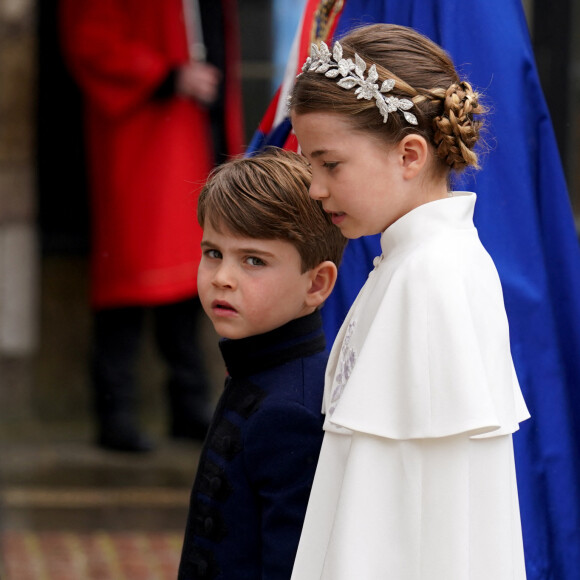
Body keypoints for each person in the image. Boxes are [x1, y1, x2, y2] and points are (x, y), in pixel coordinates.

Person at [250, 2, 580, 576]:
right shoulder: (411, 264)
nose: (315, 189)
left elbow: (410, 514)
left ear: (409, 154)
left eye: (329, 164)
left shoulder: (429, 280)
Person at [59, 0, 244, 451]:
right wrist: (165, 74)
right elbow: (91, 40)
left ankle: (188, 405)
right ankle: (116, 411)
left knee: (188, 276)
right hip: (144, 131)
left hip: (189, 128)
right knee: (130, 279)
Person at [177, 148, 346, 579]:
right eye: (213, 252)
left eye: (253, 260)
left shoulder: (291, 411)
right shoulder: (258, 370)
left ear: (317, 283)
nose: (222, 277)